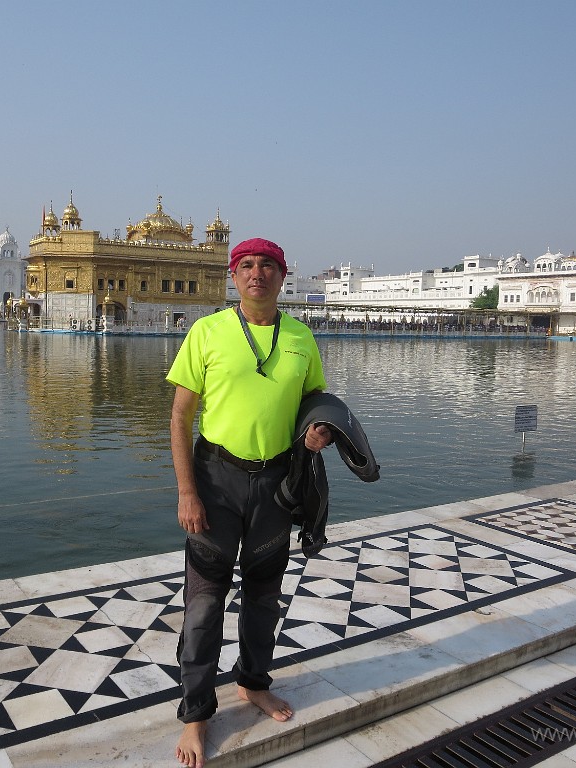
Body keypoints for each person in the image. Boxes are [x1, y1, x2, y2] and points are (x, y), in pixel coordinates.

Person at [166, 237, 332, 768]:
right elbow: (179, 417)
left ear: (283, 277)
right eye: (246, 266)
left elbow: (315, 406)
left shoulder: (302, 337)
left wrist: (319, 433)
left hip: (275, 486)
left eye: (267, 266)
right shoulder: (208, 331)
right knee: (204, 605)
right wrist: (187, 490)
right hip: (216, 480)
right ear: (233, 277)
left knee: (263, 598)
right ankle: (196, 715)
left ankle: (254, 684)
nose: (256, 273)